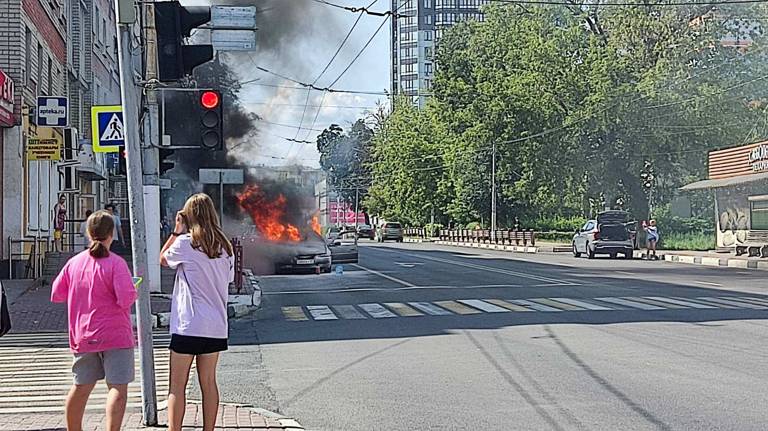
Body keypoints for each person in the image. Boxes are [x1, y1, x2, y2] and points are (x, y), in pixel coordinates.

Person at [51, 211, 138, 431]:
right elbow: (125, 298)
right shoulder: (116, 264)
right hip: (115, 334)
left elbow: (56, 294)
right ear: (112, 234)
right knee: (117, 388)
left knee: (80, 387)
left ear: (89, 233)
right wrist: (133, 288)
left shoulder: (74, 263)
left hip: (84, 335)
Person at [160, 193, 234, 431]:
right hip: (216, 327)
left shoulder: (185, 243)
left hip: (188, 325)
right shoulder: (226, 248)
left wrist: (176, 231)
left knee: (177, 386)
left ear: (189, 216)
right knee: (209, 383)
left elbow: (162, 259)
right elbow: (228, 280)